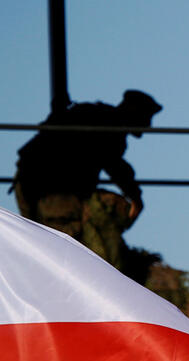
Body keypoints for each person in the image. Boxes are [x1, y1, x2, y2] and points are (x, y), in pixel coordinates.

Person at [12, 89, 162, 270]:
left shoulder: (98, 117)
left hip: (33, 186)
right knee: (62, 250)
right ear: (135, 112)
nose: (149, 125)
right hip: (54, 191)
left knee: (44, 244)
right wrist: (135, 197)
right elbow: (115, 165)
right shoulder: (109, 124)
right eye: (147, 117)